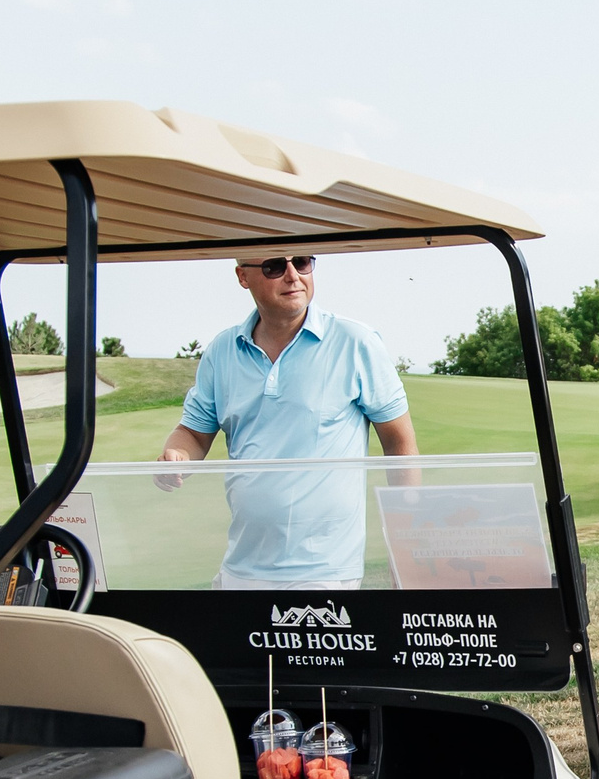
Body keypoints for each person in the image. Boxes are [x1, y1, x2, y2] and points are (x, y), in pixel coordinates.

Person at [160, 252, 417, 588]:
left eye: (303, 262)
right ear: (243, 277)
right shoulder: (222, 350)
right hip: (241, 566)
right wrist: (177, 456)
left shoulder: (356, 342)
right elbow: (193, 434)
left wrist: (406, 544)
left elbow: (399, 442)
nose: (293, 275)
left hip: (325, 573)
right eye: (275, 267)